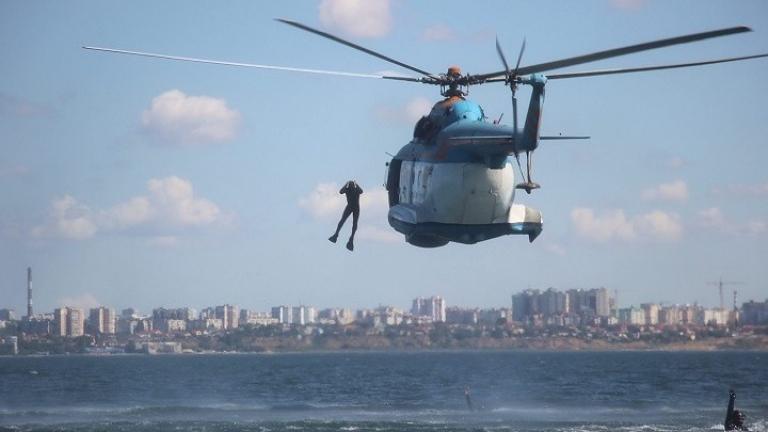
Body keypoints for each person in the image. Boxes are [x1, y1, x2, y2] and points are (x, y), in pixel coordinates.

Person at [329, 180, 363, 251]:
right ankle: (339, 236)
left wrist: (347, 184)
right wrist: (355, 184)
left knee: (346, 221)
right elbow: (341, 192)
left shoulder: (350, 190)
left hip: (351, 206)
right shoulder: (355, 190)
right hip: (354, 207)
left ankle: (340, 236)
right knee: (348, 222)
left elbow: (341, 191)